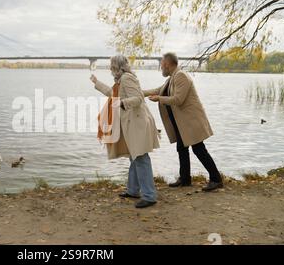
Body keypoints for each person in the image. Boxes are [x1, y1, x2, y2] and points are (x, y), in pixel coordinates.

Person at [145, 52, 223, 192]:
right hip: (183, 123)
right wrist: (141, 92)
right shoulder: (172, 77)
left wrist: (159, 99)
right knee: (182, 148)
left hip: (191, 121)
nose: (161, 67)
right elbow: (159, 90)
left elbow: (178, 99)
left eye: (162, 64)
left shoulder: (181, 76)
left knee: (199, 149)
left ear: (167, 64)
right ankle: (185, 179)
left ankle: (216, 179)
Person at [90, 55, 160, 208]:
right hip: (133, 124)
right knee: (134, 158)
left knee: (141, 158)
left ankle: (149, 196)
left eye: (111, 66)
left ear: (117, 66)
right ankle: (133, 190)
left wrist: (122, 103)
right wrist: (97, 83)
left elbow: (138, 98)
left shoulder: (127, 78)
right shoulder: (121, 80)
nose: (110, 68)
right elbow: (113, 94)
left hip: (138, 123)